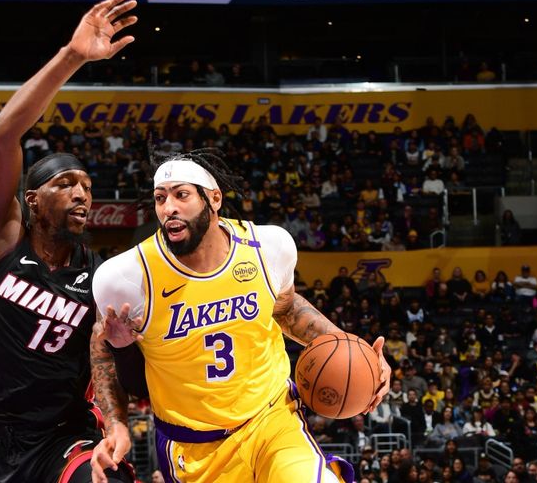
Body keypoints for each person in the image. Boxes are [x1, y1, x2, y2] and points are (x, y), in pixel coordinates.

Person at [90, 146, 392, 482]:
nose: (169, 208)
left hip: (273, 421)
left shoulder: (268, 247)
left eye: (181, 195)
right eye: (160, 198)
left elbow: (288, 309)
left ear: (214, 199)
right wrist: (115, 424)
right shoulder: (126, 277)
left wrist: (357, 350)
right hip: (195, 446)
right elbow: (101, 346)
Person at [0, 0, 138, 483]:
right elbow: (0, 138)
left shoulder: (102, 275)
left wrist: (117, 423)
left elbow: (101, 361)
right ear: (33, 200)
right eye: (65, 184)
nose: (80, 193)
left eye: (86, 186)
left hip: (66, 440)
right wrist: (73, 56)